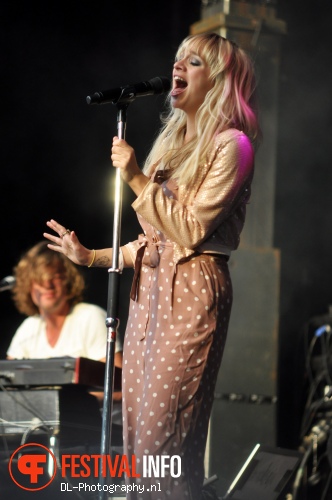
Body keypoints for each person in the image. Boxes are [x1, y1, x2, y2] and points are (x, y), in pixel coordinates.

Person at [44, 33, 260, 500]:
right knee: (138, 441)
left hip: (194, 288)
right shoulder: (169, 147)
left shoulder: (233, 146)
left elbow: (189, 230)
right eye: (177, 59)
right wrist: (91, 257)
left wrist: (138, 176)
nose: (177, 67)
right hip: (149, 291)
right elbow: (152, 240)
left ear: (219, 80)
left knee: (165, 440)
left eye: (193, 62)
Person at [7, 241, 123, 394]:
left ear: (68, 281)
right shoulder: (28, 328)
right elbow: (8, 387)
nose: (48, 285)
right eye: (40, 278)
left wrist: (65, 402)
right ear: (28, 285)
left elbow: (119, 388)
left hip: (90, 417)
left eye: (55, 277)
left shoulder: (90, 317)